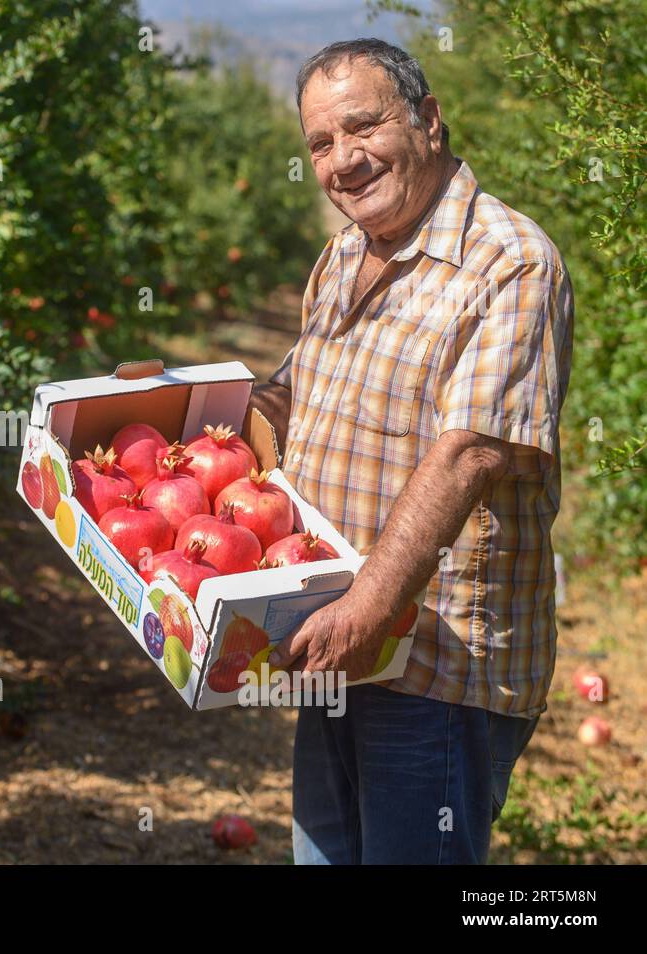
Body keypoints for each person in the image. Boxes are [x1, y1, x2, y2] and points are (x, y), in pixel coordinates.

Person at [248, 38, 574, 864]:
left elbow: (471, 454)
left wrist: (368, 609)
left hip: (435, 663)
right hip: (341, 639)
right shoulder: (345, 254)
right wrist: (160, 418)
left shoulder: (510, 262)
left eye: (363, 127)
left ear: (429, 119)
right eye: (321, 143)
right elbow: (295, 391)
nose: (343, 160)